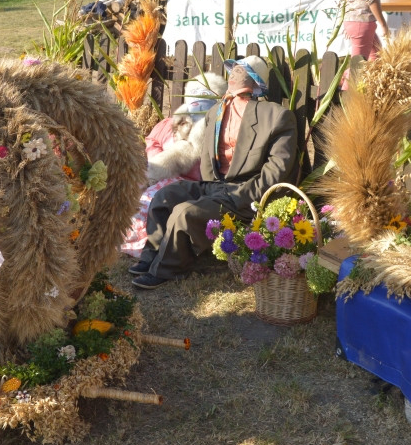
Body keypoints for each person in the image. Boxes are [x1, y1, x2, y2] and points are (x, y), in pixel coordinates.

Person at [130, 56, 297, 289]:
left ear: (254, 80)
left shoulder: (275, 117)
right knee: (165, 197)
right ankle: (152, 255)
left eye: (241, 70)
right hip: (215, 185)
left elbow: (276, 170)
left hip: (244, 191)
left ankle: (168, 268)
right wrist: (208, 187)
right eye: (233, 68)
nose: (234, 73)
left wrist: (243, 195)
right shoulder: (216, 112)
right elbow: (208, 157)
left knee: (185, 212)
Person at [120, 73, 226, 259]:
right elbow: (153, 141)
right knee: (130, 191)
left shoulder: (216, 132)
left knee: (154, 200)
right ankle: (117, 234)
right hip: (153, 173)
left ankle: (145, 243)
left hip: (186, 184)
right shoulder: (170, 123)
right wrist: (158, 159)